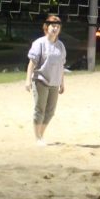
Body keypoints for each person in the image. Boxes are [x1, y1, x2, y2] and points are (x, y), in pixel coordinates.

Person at [25, 14, 66, 145]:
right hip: (40, 80)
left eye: (57, 26)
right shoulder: (39, 43)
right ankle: (38, 138)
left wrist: (62, 82)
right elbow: (31, 63)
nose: (55, 28)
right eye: (53, 26)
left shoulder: (61, 46)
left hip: (55, 82)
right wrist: (27, 80)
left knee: (50, 111)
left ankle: (41, 135)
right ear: (46, 27)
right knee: (40, 109)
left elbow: (61, 65)